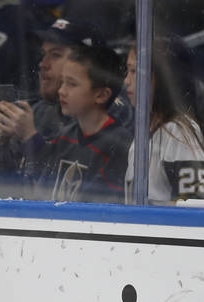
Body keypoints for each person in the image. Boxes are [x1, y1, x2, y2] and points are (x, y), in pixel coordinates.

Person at [0, 17, 133, 178]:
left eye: (55, 55)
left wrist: (31, 138)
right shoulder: (37, 113)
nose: (43, 63)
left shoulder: (114, 116)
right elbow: (10, 188)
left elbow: (71, 189)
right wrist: (0, 146)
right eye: (43, 54)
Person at [23, 43, 131, 202]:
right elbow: (39, 193)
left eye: (72, 84)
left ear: (102, 95)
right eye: (63, 82)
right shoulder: (64, 137)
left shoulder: (120, 145)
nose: (61, 91)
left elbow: (101, 210)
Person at [124, 38, 204, 202]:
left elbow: (197, 205)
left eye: (134, 72)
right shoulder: (143, 132)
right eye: (128, 71)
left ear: (162, 79)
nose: (126, 81)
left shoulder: (180, 133)